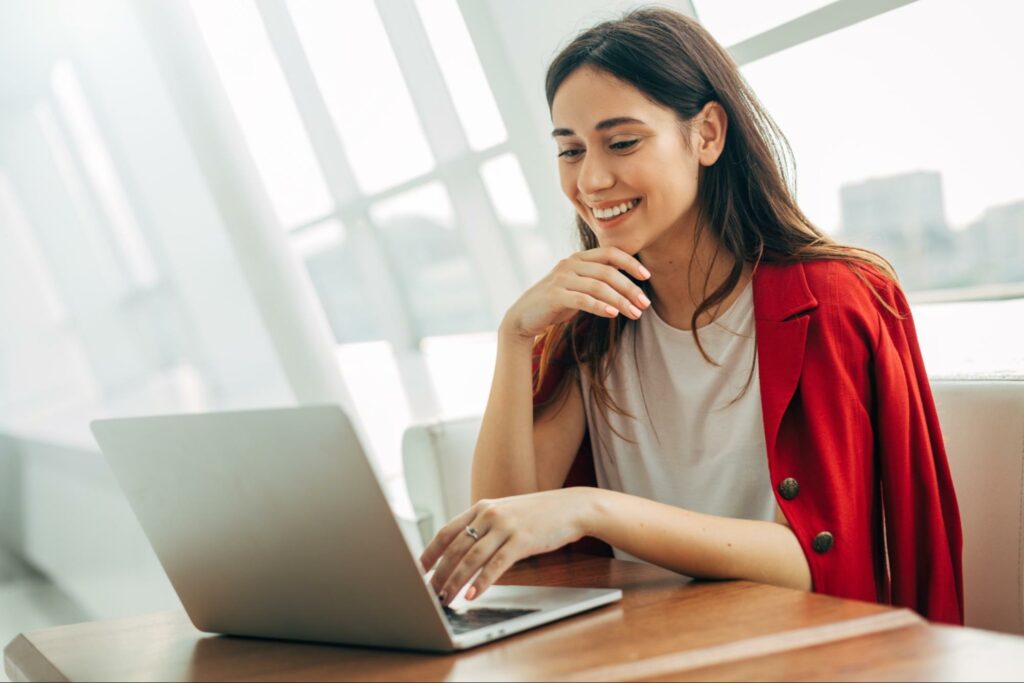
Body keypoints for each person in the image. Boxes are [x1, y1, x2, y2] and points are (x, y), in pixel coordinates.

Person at [418, 6, 963, 625]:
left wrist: (592, 508)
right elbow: (508, 536)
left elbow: (818, 563)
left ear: (706, 134)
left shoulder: (835, 298)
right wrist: (514, 339)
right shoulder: (589, 322)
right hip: (637, 647)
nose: (592, 179)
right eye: (570, 151)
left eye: (622, 142)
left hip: (799, 650)